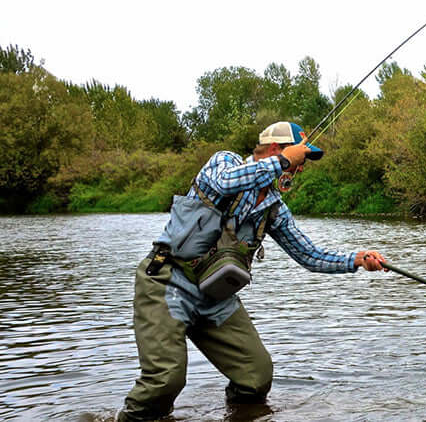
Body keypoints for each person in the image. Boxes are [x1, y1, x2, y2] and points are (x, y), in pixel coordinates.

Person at [118, 121, 388, 421]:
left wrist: (357, 260)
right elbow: (225, 182)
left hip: (214, 296)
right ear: (275, 150)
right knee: (165, 381)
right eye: (300, 159)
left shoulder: (274, 208)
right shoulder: (224, 162)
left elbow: (309, 255)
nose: (300, 168)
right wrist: (283, 162)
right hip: (167, 281)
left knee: (256, 376)